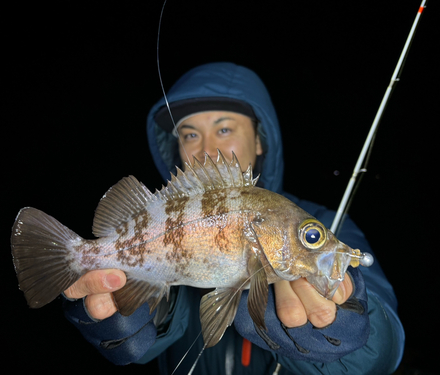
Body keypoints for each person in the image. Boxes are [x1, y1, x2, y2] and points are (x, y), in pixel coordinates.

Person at [62, 62, 404, 374]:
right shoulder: (158, 217)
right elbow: (156, 325)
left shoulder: (330, 219)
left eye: (224, 129)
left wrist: (358, 330)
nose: (207, 148)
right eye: (190, 134)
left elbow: (382, 357)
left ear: (259, 140)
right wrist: (148, 310)